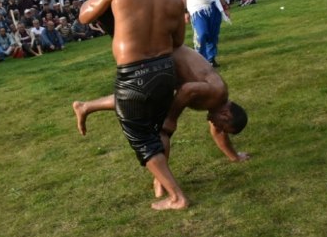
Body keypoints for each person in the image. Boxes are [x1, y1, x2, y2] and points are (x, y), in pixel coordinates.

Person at [44, 0, 189, 210]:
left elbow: (85, 16)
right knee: (155, 131)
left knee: (142, 139)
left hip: (134, 74)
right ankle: (160, 183)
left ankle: (176, 196)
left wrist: (108, 6)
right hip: (166, 71)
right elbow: (178, 41)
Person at [72, 45, 249, 166]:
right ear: (226, 114)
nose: (217, 127)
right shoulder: (217, 93)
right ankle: (162, 180)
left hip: (165, 64)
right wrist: (171, 118)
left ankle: (85, 106)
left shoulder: (217, 105)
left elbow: (218, 132)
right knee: (141, 103)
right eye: (223, 126)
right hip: (159, 56)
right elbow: (188, 90)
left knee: (139, 100)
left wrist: (235, 157)